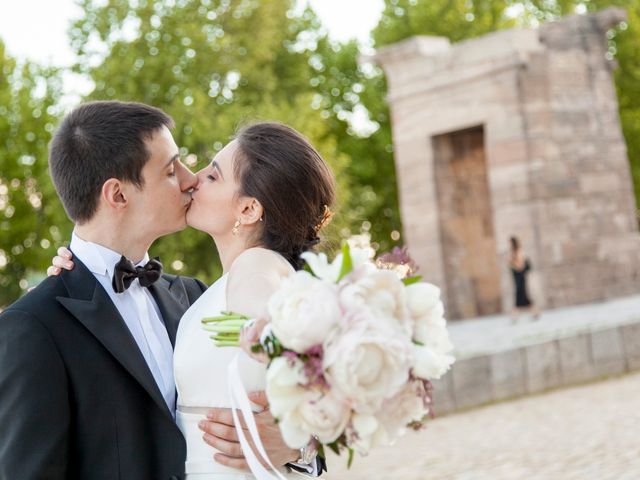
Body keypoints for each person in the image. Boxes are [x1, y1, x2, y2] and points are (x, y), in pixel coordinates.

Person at [0, 101, 305, 479]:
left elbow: (297, 384)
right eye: (171, 169)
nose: (191, 178)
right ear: (119, 195)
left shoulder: (195, 298)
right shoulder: (34, 327)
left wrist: (297, 444)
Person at [509, 236, 540, 323]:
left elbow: (520, 266)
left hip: (520, 279)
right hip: (517, 279)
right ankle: (534, 313)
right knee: (522, 298)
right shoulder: (513, 252)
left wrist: (512, 263)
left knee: (521, 297)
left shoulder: (519, 252)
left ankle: (514, 317)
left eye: (510, 243)